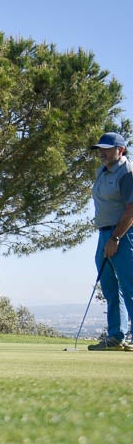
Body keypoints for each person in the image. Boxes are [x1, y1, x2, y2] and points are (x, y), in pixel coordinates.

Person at [87, 131, 133, 351]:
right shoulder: (102, 171)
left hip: (124, 234)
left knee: (130, 286)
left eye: (107, 149)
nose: (102, 153)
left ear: (120, 150)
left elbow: (131, 210)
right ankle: (116, 337)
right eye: (100, 149)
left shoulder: (127, 173)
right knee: (109, 287)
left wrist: (116, 237)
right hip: (104, 234)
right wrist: (108, 237)